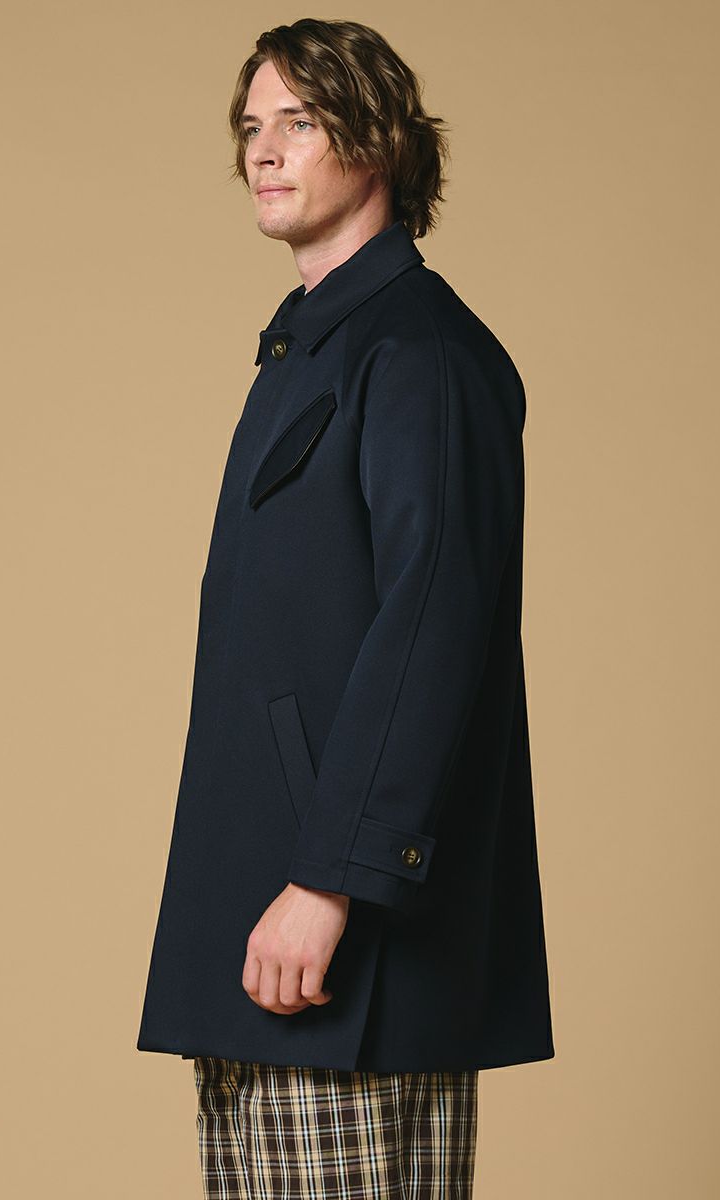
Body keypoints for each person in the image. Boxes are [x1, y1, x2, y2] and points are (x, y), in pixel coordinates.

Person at [137, 18, 555, 1198]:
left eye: (300, 121)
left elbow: (434, 624)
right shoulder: (308, 354)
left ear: (378, 142)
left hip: (343, 936)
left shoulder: (420, 353)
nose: (263, 151)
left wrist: (331, 882)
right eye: (251, 126)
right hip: (263, 933)